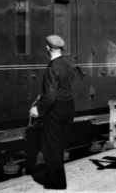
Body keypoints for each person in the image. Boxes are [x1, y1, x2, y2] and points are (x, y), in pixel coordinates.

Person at [29, 35, 76, 190]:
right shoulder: (68, 64)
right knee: (59, 145)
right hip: (69, 107)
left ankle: (57, 182)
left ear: (48, 48)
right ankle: (53, 177)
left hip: (55, 110)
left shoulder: (52, 68)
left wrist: (38, 110)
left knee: (51, 147)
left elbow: (50, 96)